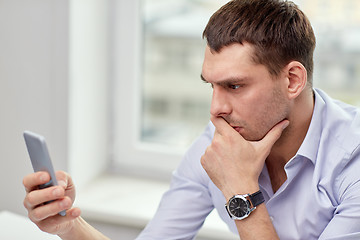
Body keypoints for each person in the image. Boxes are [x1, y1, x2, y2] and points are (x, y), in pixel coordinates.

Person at [23, 0, 360, 239]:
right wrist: (68, 226)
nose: (216, 109)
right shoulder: (216, 149)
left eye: (234, 86)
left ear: (292, 80)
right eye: (212, 85)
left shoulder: (352, 161)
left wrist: (242, 193)